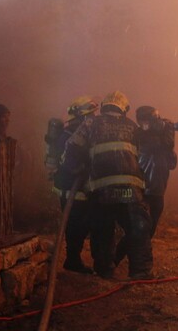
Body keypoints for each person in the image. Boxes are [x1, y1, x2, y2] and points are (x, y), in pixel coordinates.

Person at [62, 91, 153, 280]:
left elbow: (71, 148)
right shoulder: (133, 126)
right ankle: (140, 272)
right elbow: (146, 155)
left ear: (104, 106)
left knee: (103, 230)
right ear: (124, 108)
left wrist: (78, 168)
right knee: (138, 228)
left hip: (101, 191)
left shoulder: (90, 124)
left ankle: (105, 271)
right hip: (130, 190)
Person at [115, 106, 178, 266]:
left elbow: (171, 158)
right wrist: (165, 128)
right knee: (140, 229)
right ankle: (119, 260)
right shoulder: (139, 137)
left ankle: (118, 259)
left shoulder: (162, 139)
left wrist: (166, 128)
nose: (145, 124)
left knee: (147, 230)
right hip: (140, 190)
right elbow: (155, 145)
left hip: (156, 190)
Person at [45, 96, 98, 274]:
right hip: (70, 188)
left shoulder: (77, 135)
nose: (93, 119)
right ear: (82, 117)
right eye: (90, 116)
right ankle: (72, 260)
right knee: (75, 225)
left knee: (81, 224)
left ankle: (73, 258)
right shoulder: (67, 136)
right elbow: (68, 162)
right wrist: (80, 168)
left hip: (77, 189)